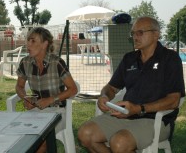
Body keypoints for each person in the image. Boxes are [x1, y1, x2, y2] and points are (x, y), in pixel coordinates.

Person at [78, 16, 185, 153]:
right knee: (85, 133)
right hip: (124, 115)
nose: (135, 37)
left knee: (119, 142)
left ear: (156, 34)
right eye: (133, 33)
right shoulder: (129, 59)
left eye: (140, 32)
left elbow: (174, 100)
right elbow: (111, 87)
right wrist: (104, 96)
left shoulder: (170, 58)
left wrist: (139, 108)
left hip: (155, 119)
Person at [15, 27, 78, 153]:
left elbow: (73, 89)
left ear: (44, 44)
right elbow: (19, 86)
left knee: (39, 142)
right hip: (36, 111)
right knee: (17, 135)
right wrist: (26, 98)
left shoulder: (56, 62)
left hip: (58, 112)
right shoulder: (25, 62)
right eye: (28, 40)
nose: (28, 44)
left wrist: (50, 100)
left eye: (33, 41)